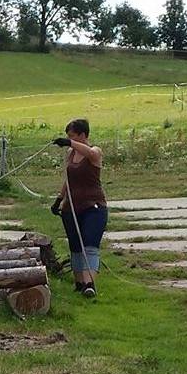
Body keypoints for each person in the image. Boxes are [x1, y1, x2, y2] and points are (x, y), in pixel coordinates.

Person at [50, 119, 107, 298]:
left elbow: (90, 153)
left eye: (72, 136)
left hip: (93, 206)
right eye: (68, 137)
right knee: (75, 246)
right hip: (71, 208)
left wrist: (70, 143)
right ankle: (79, 282)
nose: (69, 140)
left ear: (82, 135)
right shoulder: (70, 153)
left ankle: (90, 283)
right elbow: (68, 178)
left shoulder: (95, 152)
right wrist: (59, 199)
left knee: (89, 243)